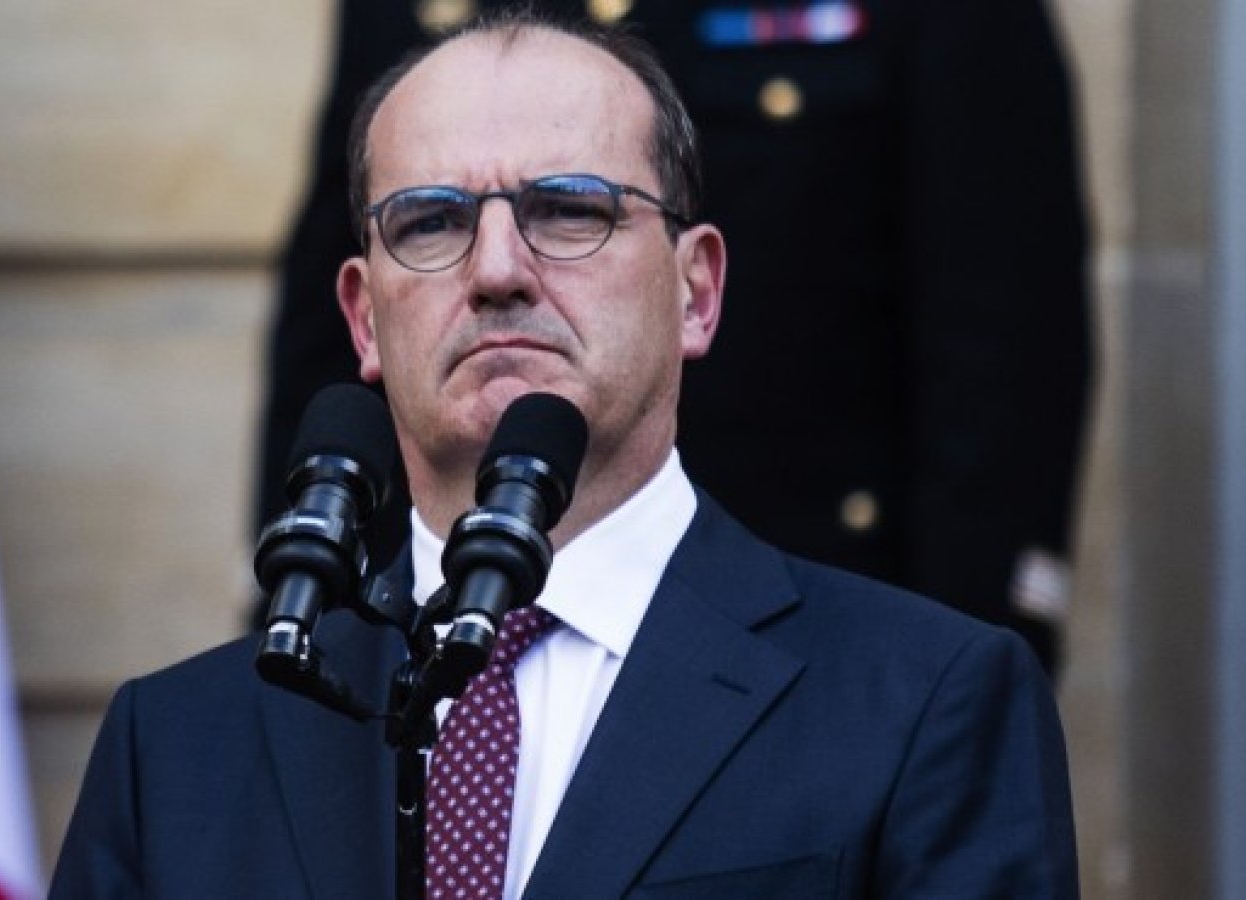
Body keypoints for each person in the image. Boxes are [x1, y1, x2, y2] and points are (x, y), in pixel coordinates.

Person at [54, 11, 1076, 897]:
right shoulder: (174, 748)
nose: (497, 269)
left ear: (696, 291)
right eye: (432, 221)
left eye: (570, 210)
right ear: (363, 320)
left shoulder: (923, 704)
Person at [256, 0, 1092, 676]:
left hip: (809, 626)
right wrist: (310, 619)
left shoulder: (910, 693)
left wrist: (938, 675)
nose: (498, 267)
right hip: (437, 637)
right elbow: (330, 329)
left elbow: (1001, 339)